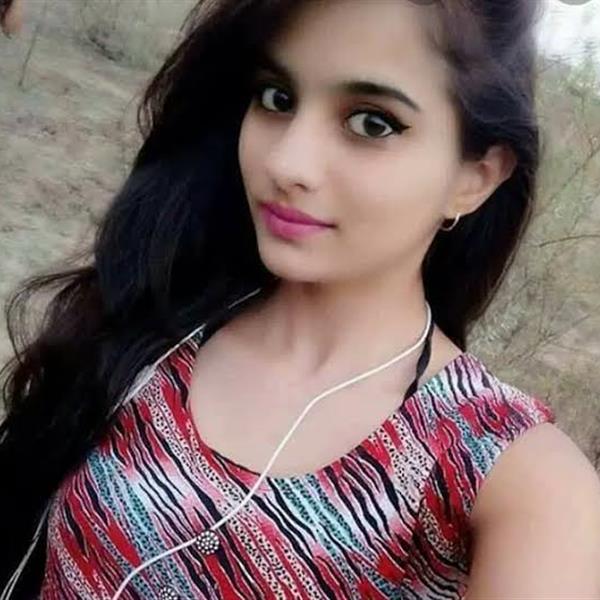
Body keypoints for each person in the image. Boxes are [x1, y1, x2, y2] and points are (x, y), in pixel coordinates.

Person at [1, 0, 600, 598]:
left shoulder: (512, 478)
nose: (286, 162)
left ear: (475, 178)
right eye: (277, 98)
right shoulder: (159, 322)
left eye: (372, 123)